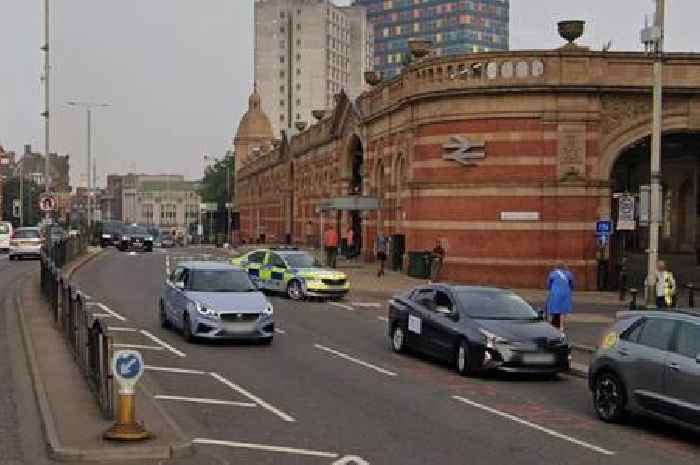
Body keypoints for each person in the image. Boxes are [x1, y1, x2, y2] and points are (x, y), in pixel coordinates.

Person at [545, 263, 574, 332]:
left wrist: (549, 288)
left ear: (556, 267)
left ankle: (550, 326)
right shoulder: (569, 274)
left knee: (552, 308)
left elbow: (548, 284)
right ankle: (561, 327)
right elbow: (571, 284)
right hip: (565, 293)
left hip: (555, 292)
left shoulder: (552, 274)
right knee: (562, 311)